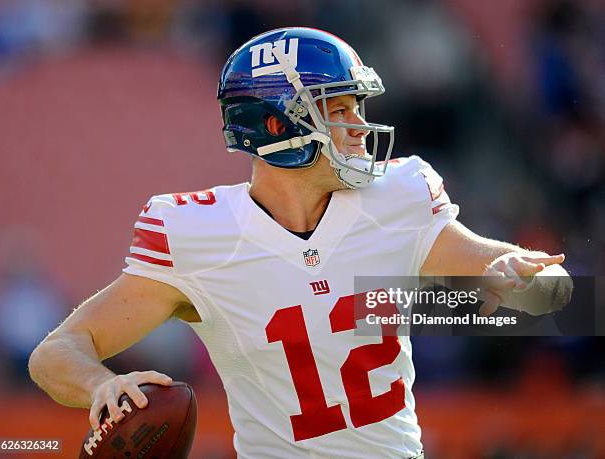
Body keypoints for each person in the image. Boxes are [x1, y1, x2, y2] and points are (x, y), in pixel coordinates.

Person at [29, 27, 571, 459]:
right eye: (337, 109)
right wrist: (100, 386)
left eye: (357, 106)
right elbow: (55, 353)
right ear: (272, 124)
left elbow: (545, 289)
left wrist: (531, 283)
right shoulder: (199, 235)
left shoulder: (398, 197)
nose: (359, 126)